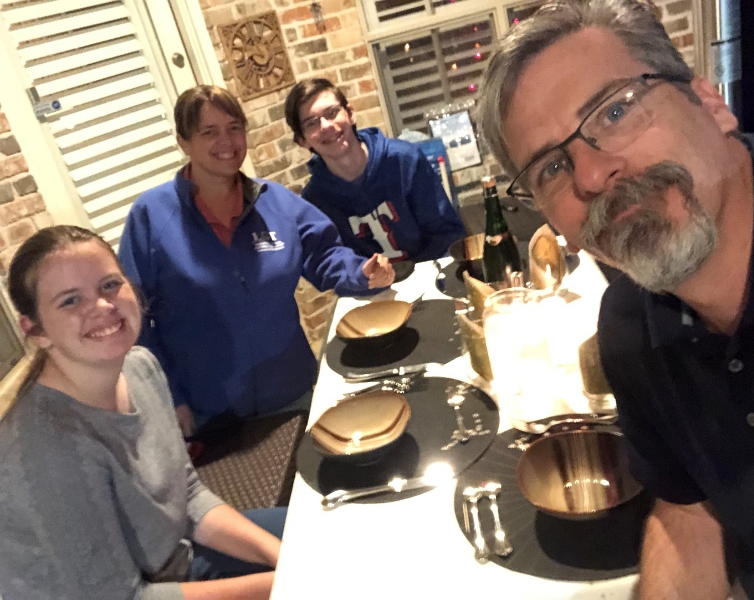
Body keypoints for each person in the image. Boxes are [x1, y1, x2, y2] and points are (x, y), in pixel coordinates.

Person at [479, 1, 754, 598]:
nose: (591, 175)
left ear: (709, 102)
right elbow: (689, 511)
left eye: (615, 110)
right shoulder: (629, 327)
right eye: (552, 167)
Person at [1, 225, 286, 599]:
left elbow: (188, 494)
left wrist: (284, 557)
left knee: (333, 533)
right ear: (36, 330)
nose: (102, 306)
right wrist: (291, 581)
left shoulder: (140, 366)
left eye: (109, 285)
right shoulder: (45, 449)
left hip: (176, 558)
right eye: (70, 300)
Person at [118, 85, 394, 437]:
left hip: (291, 393)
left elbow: (324, 253)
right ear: (183, 142)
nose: (226, 141)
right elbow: (132, 317)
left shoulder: (274, 201)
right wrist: (169, 397)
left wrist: (361, 272)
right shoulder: (151, 216)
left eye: (234, 128)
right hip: (205, 413)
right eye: (209, 132)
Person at [284, 78, 466, 263]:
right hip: (367, 282)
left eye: (332, 112)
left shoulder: (405, 159)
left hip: (430, 273)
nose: (326, 126)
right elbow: (331, 263)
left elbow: (447, 234)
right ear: (302, 141)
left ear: (350, 113)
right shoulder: (315, 201)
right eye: (311, 123)